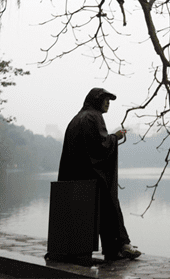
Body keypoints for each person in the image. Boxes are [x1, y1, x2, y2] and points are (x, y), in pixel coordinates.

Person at [57, 87, 141, 261]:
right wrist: (115, 137)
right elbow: (100, 147)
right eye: (105, 100)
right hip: (92, 178)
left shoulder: (77, 118)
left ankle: (81, 249)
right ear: (96, 100)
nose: (108, 103)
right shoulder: (93, 117)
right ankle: (117, 247)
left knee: (99, 210)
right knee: (110, 205)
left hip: (76, 179)